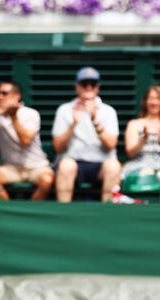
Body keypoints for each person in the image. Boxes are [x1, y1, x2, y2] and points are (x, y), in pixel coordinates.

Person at [0, 81, 53, 200]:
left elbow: (26, 140)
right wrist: (2, 112)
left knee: (47, 180)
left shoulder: (31, 114)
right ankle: (7, 212)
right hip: (11, 167)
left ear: (16, 96)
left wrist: (13, 117)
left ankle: (31, 215)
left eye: (4, 93)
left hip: (36, 166)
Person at [51, 66, 120, 202]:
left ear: (97, 88)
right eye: (84, 84)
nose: (89, 87)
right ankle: (63, 215)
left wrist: (95, 121)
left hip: (100, 164)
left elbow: (111, 145)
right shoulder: (64, 110)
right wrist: (73, 124)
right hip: (74, 163)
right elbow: (58, 147)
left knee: (114, 166)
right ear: (77, 87)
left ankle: (109, 214)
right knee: (66, 165)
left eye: (93, 84)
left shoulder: (108, 111)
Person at [121, 84, 160, 179]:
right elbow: (131, 153)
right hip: (138, 165)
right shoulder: (134, 124)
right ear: (145, 102)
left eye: (158, 99)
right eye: (151, 98)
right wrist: (143, 139)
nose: (154, 102)